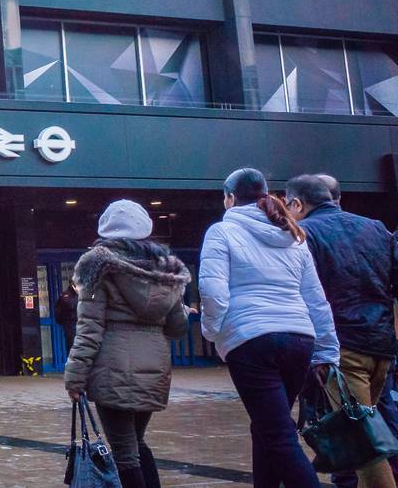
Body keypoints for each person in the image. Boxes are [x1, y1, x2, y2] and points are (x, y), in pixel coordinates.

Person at [199, 168, 339, 488]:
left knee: (278, 434)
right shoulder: (292, 234)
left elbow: (213, 292)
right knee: (267, 427)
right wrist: (327, 351)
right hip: (300, 339)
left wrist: (213, 333)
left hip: (252, 341)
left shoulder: (222, 232)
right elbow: (315, 299)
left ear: (230, 198)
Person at [63, 200, 191, 488]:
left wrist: (75, 376)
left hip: (113, 369)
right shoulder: (166, 270)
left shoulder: (97, 266)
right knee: (136, 443)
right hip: (154, 370)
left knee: (124, 453)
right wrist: (179, 307)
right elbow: (177, 327)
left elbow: (89, 329)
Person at [285, 174, 398, 488]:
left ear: (297, 203)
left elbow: (307, 295)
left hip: (341, 348)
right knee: (366, 430)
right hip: (381, 346)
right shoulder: (375, 227)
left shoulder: (304, 234)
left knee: (363, 444)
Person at [55, 283, 79, 354]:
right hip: (71, 325)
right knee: (73, 347)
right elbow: (70, 305)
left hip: (81, 324)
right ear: (73, 286)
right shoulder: (65, 295)